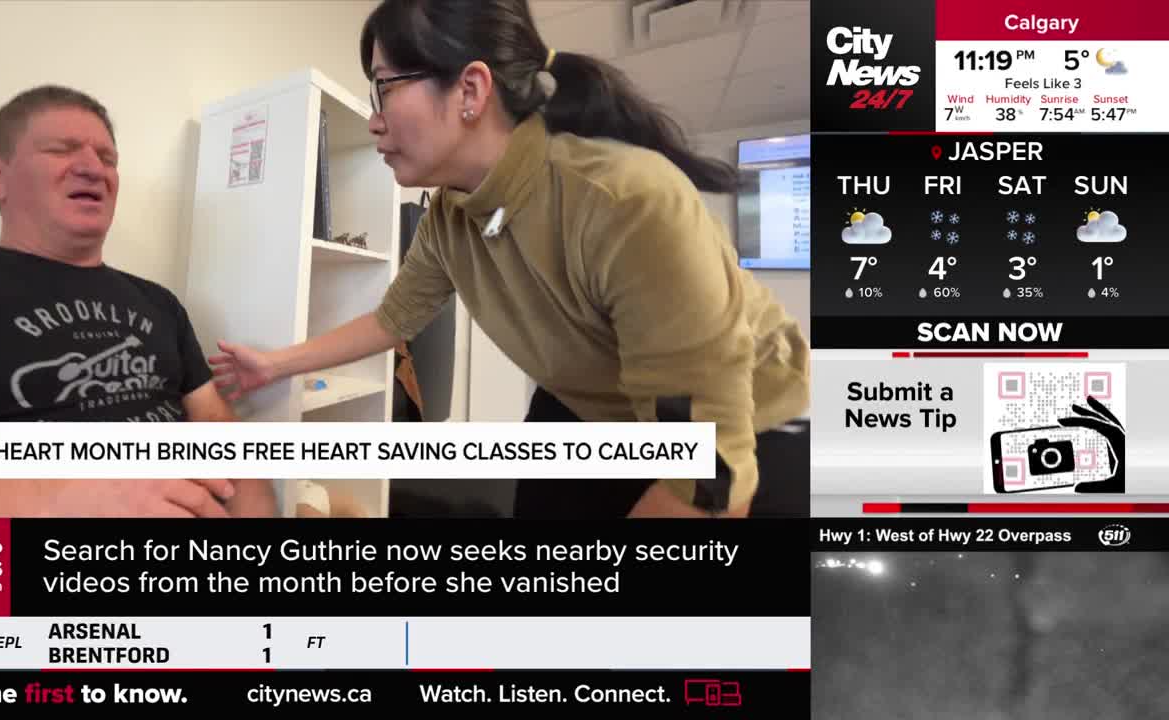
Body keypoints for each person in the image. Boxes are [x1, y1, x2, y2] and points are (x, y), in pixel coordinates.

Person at [210, 0, 810, 519]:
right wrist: (276, 365)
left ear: (470, 90)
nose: (373, 120)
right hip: (588, 403)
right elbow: (393, 321)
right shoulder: (450, 216)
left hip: (744, 421)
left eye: (385, 86)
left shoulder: (624, 200)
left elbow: (709, 475)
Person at [0, 85, 275, 518]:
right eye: (62, 149)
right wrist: (48, 499)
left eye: (108, 158)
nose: (94, 168)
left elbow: (217, 428)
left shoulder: (160, 304)